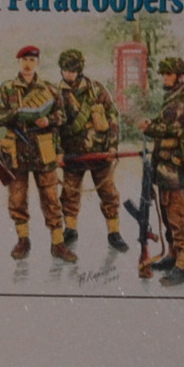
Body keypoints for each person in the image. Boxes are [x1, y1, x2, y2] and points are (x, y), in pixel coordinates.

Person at [0, 45, 68, 261]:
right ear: (19, 62)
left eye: (32, 61)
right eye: (24, 60)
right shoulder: (7, 89)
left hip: (43, 148)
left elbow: (62, 116)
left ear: (38, 63)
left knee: (51, 199)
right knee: (17, 199)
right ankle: (23, 240)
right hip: (16, 149)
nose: (28, 65)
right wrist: (15, 114)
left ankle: (58, 243)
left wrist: (49, 120)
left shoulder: (50, 89)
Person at [141, 55, 184, 286]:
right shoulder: (173, 99)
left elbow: (169, 127)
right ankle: (172, 256)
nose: (164, 78)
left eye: (168, 74)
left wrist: (149, 127)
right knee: (168, 215)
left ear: (180, 77)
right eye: (163, 74)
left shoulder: (182, 102)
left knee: (178, 218)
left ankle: (183, 266)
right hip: (166, 169)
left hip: (177, 171)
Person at [54, 49, 127, 251]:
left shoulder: (96, 89)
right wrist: (58, 151)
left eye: (72, 70)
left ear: (79, 70)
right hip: (72, 154)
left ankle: (114, 232)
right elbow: (54, 127)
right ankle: (70, 230)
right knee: (69, 195)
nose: (68, 74)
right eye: (65, 70)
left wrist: (112, 145)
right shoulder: (56, 93)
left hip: (99, 153)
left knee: (109, 194)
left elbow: (112, 116)